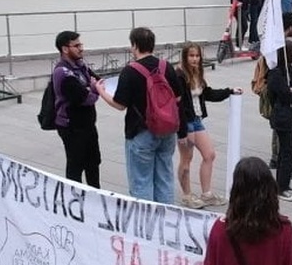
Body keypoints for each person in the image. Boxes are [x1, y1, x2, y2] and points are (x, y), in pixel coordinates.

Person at [95, 27, 184, 205]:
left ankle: (146, 224)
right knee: (165, 178)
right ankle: (165, 218)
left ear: (135, 45)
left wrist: (101, 91)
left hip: (141, 132)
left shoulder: (130, 70)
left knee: (141, 182)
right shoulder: (166, 66)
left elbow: (120, 105)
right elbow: (178, 97)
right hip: (167, 131)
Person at [176, 42, 242, 208]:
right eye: (191, 56)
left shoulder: (197, 73)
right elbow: (178, 104)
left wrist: (229, 91)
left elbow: (208, 93)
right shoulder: (179, 75)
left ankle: (206, 194)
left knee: (209, 154)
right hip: (185, 122)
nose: (195, 59)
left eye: (197, 56)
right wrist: (182, 131)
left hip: (197, 119)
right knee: (186, 158)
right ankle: (187, 195)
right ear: (185, 57)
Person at [51, 31, 101, 188]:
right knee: (75, 165)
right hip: (71, 127)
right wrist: (93, 89)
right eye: (77, 45)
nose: (81, 48)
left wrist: (92, 88)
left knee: (93, 161)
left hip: (88, 124)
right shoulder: (62, 73)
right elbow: (85, 98)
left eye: (81, 45)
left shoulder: (81, 65)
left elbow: (98, 82)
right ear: (65, 49)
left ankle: (96, 194)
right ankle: (75, 199)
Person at [261, 12, 292, 181]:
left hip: (284, 109)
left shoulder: (282, 54)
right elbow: (285, 92)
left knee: (283, 142)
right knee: (283, 143)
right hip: (280, 109)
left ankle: (282, 166)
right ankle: (279, 166)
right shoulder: (277, 52)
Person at [266, 42, 292, 201]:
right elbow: (286, 94)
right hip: (282, 116)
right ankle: (281, 187)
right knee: (286, 153)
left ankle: (284, 184)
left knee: (287, 151)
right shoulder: (276, 74)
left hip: (288, 113)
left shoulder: (287, 71)